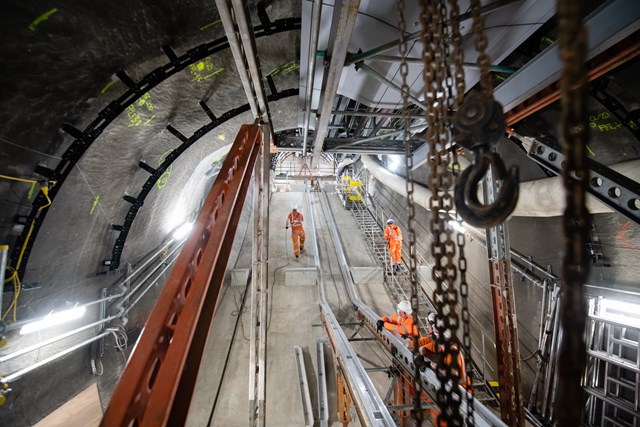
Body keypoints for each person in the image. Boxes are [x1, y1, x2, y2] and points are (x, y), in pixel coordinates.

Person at [417, 315, 472, 426]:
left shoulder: (453, 350)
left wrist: (434, 366)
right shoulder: (439, 344)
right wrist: (425, 357)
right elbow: (423, 349)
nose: (434, 334)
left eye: (437, 332)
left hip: (461, 395)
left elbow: (458, 378)